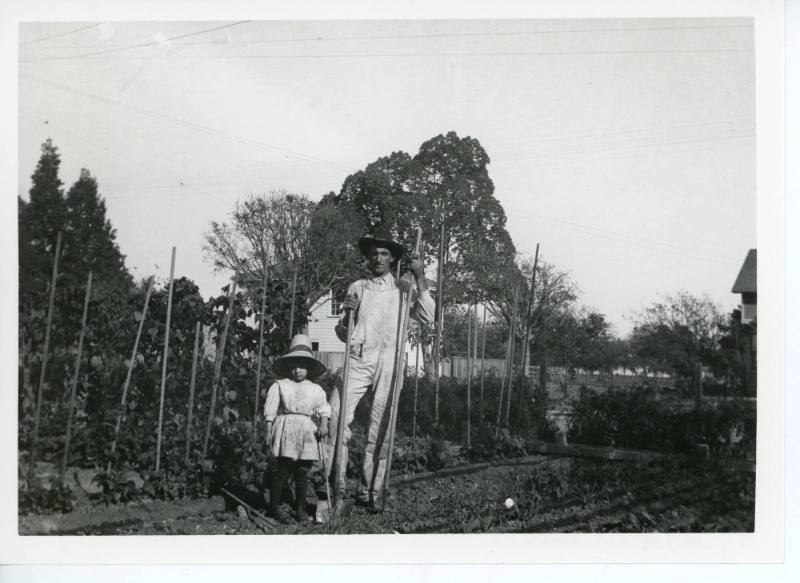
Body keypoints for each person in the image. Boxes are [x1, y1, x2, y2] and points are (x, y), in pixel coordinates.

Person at [327, 228, 435, 510]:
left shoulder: (404, 288)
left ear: (392, 259)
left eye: (384, 253)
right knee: (336, 416)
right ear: (368, 257)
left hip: (390, 358)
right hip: (359, 357)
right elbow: (343, 333)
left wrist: (420, 276)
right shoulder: (357, 288)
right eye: (374, 252)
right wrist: (347, 315)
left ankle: (371, 492)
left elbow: (428, 316)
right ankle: (335, 489)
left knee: (382, 425)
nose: (378, 257)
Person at [264, 334, 331, 524]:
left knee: (302, 473)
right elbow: (270, 411)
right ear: (288, 367)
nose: (297, 370)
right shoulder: (280, 386)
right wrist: (268, 431)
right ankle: (274, 507)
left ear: (309, 368)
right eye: (293, 366)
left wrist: (324, 423)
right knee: (282, 471)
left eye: (302, 366)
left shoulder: (315, 389)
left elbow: (323, 408)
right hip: (285, 429)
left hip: (306, 432)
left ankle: (300, 508)